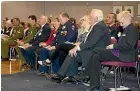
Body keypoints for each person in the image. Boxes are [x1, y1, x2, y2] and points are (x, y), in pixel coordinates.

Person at [50, 9, 110, 83]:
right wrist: (77, 48)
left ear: (96, 18)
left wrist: (77, 48)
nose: (89, 18)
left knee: (73, 53)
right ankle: (70, 76)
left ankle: (62, 75)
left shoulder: (100, 27)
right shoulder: (97, 26)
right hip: (92, 49)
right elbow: (89, 42)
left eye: (90, 16)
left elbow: (91, 42)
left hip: (96, 51)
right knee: (72, 52)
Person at [85, 11, 139, 91]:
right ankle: (95, 84)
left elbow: (129, 46)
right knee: (96, 56)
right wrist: (114, 47)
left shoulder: (132, 29)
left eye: (120, 20)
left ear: (124, 19)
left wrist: (113, 46)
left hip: (125, 55)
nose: (119, 23)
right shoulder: (126, 29)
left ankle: (88, 76)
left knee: (96, 50)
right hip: (119, 53)